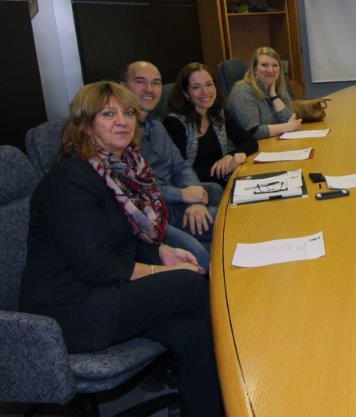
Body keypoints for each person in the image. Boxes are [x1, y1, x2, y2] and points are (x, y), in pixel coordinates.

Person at [18, 81, 225, 417]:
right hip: (69, 309)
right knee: (190, 284)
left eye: (128, 112)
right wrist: (166, 271)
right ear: (85, 126)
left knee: (194, 334)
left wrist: (162, 253)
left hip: (106, 292)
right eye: (108, 113)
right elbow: (98, 265)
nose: (122, 120)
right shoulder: (69, 181)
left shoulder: (122, 172)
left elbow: (122, 242)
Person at [122, 61, 215, 267]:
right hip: (151, 217)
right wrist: (182, 194)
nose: (149, 89)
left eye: (155, 83)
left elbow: (180, 166)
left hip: (174, 206)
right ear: (123, 86)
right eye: (140, 82)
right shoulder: (120, 134)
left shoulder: (156, 126)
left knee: (227, 214)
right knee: (202, 251)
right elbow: (133, 190)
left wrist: (195, 197)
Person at [165, 62, 257, 187]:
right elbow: (179, 171)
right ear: (186, 93)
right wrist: (223, 169)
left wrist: (229, 157)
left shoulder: (217, 112)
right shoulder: (175, 123)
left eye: (209, 84)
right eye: (196, 87)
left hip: (224, 182)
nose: (205, 92)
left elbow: (250, 142)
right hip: (197, 189)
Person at [226, 46, 302, 140]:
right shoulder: (242, 91)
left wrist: (274, 96)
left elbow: (290, 120)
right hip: (246, 151)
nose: (270, 70)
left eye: (275, 65)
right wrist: (287, 127)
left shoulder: (279, 89)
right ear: (254, 69)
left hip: (273, 143)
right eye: (264, 65)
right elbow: (253, 131)